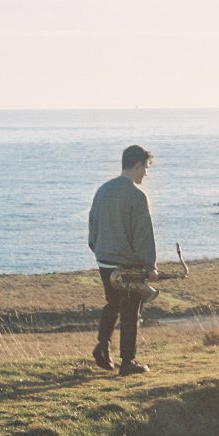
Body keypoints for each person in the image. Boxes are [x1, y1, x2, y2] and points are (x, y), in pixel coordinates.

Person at [88, 144, 158, 374]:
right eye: (146, 168)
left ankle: (102, 344)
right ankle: (128, 362)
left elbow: (93, 224)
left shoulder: (103, 190)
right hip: (128, 264)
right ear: (137, 165)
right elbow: (143, 234)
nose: (146, 173)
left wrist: (98, 249)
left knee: (113, 304)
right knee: (130, 311)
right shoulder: (137, 196)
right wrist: (150, 266)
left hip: (104, 260)